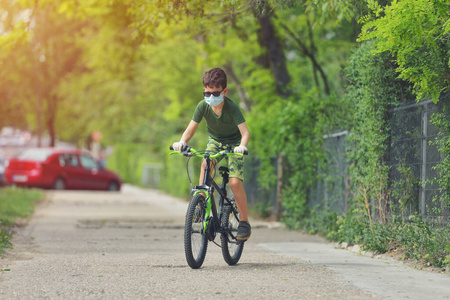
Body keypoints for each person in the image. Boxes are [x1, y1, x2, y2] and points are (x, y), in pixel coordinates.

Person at [172, 67, 251, 241]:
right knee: (205, 165)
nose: (210, 98)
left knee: (235, 183)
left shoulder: (231, 108)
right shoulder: (203, 106)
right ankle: (201, 203)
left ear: (224, 91)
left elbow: (245, 133)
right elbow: (191, 129)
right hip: (215, 141)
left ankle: (244, 222)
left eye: (215, 94)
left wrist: (242, 147)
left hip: (234, 144)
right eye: (206, 94)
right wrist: (182, 142)